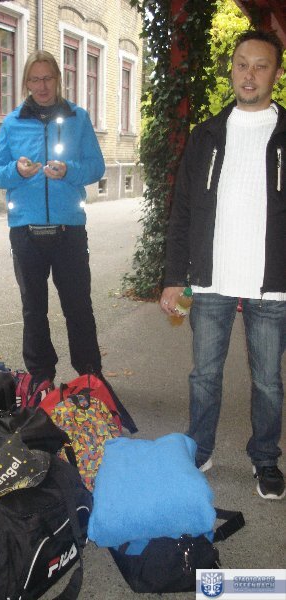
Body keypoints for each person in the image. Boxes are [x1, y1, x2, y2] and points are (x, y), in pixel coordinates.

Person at [160, 29, 285, 500]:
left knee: (268, 382)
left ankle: (265, 458)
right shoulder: (206, 135)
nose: (249, 75)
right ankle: (200, 449)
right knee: (204, 375)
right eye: (241, 64)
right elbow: (182, 212)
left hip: (271, 284)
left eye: (261, 66)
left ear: (276, 73)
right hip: (211, 279)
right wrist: (175, 278)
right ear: (231, 69)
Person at [0, 50, 105, 391]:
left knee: (78, 306)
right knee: (33, 309)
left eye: (47, 78)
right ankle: (41, 377)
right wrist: (17, 171)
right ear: (26, 82)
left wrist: (70, 171)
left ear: (58, 79)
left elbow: (96, 167)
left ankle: (89, 375)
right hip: (25, 231)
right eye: (35, 79)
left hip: (69, 229)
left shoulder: (78, 118)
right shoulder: (12, 123)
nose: (42, 86)